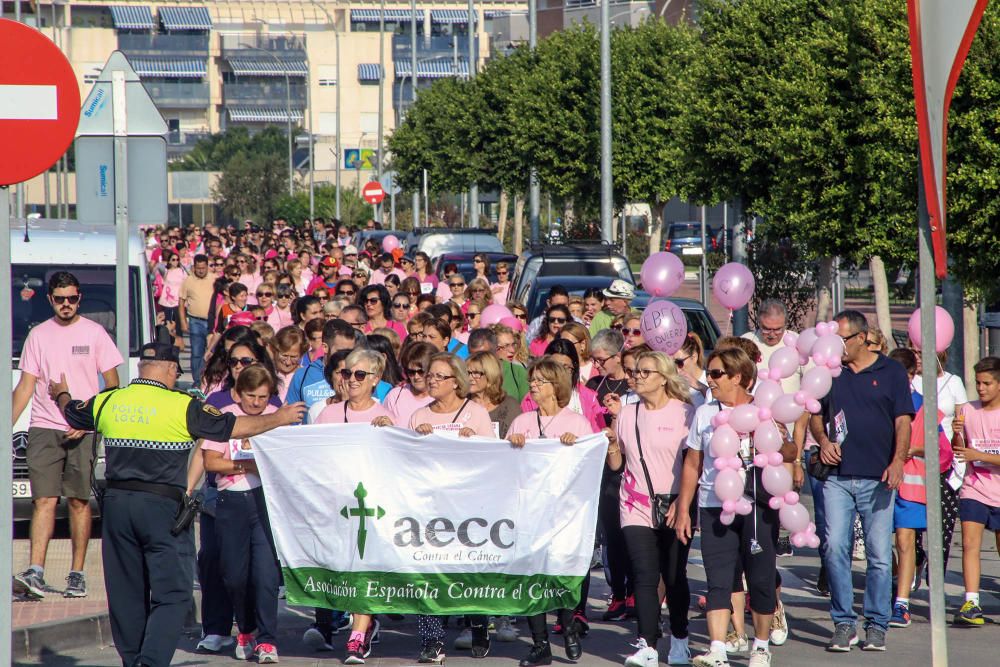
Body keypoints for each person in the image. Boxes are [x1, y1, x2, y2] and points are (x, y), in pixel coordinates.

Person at [48, 342, 305, 667]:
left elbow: (72, 413)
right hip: (161, 509)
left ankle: (132, 660)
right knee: (174, 594)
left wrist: (61, 393)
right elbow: (233, 427)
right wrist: (278, 417)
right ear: (170, 369)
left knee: (126, 595)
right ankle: (150, 661)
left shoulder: (110, 400)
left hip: (116, 508)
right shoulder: (182, 405)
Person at [676, 348, 793, 667]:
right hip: (714, 504)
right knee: (718, 579)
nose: (708, 379)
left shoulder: (764, 409)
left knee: (760, 578)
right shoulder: (704, 413)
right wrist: (684, 508)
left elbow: (792, 451)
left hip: (757, 504)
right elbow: (692, 463)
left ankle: (760, 646)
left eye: (715, 374)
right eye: (709, 374)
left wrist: (779, 439)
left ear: (738, 377)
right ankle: (716, 648)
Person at [12, 271, 123, 600]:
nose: (65, 304)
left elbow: (113, 386)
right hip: (44, 427)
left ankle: (77, 574)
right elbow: (25, 388)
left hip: (83, 430)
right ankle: (36, 570)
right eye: (59, 299)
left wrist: (89, 421)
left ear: (79, 299)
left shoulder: (95, 333)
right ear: (49, 300)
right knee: (43, 500)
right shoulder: (38, 336)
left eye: (71, 298)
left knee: (78, 501)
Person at [809, 310, 913, 653]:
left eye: (840, 340)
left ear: (861, 338)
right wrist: (823, 442)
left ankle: (876, 624)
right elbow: (815, 415)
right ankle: (842, 623)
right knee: (835, 547)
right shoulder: (829, 373)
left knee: (880, 555)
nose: (833, 347)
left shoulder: (892, 372)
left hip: (879, 478)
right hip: (837, 479)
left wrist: (898, 461)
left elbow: (903, 421)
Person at [603, 351, 696, 667]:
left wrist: (682, 504)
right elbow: (618, 464)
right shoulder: (627, 414)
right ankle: (647, 645)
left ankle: (680, 640)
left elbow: (692, 465)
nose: (638, 376)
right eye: (636, 372)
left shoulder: (685, 413)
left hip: (675, 504)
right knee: (643, 575)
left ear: (664, 377)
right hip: (635, 504)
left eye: (645, 371)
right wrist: (612, 443)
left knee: (673, 577)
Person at [508, 358, 596, 666]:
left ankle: (569, 625)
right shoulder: (522, 422)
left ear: (556, 386)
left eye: (540, 381)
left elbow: (588, 467)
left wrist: (576, 446)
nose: (533, 385)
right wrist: (513, 446)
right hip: (530, 514)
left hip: (565, 515)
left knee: (561, 576)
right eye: (532, 380)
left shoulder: (577, 424)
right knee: (532, 576)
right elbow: (507, 470)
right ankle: (539, 643)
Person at [409, 353, 495, 662]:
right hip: (429, 507)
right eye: (429, 375)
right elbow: (406, 463)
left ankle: (478, 623)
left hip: (468, 506)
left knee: (467, 568)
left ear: (455, 381)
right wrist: (414, 441)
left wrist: (474, 442)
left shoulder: (476, 414)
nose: (430, 380)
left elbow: (494, 461)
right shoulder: (418, 416)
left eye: (438, 376)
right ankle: (432, 640)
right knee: (429, 570)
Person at [200, 366, 284, 663]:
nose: (258, 403)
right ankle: (246, 628)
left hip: (264, 501)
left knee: (265, 575)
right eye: (251, 396)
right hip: (230, 502)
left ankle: (267, 640)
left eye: (263, 396)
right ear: (238, 392)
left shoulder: (276, 413)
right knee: (235, 576)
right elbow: (211, 462)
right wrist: (246, 466)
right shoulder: (225, 416)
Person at [315, 349, 393, 665]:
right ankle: (342, 621)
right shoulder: (329, 414)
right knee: (340, 567)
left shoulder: (386, 415)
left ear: (374, 380)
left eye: (360, 375)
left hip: (372, 507)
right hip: (336, 503)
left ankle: (358, 634)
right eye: (347, 373)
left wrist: (390, 432)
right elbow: (310, 455)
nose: (351, 380)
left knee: (365, 567)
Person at [952, 356, 1000, 626]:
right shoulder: (967, 411)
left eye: (987, 383)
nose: (981, 389)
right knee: (970, 544)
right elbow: (958, 449)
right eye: (978, 383)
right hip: (974, 488)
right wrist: (956, 432)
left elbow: (975, 453)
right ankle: (972, 602)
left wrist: (978, 454)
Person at [742, 300, 800, 395]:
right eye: (766, 329)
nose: (772, 334)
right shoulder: (746, 341)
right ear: (759, 324)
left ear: (785, 325)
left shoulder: (797, 342)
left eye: (777, 329)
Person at [179, 254, 216, 383]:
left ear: (207, 266)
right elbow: (181, 302)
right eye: (198, 268)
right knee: (196, 353)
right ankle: (197, 382)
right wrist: (183, 322)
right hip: (195, 321)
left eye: (203, 268)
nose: (201, 270)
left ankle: (211, 380)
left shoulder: (214, 279)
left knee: (212, 352)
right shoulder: (188, 280)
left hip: (212, 322)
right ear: (194, 267)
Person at [467, 351, 521, 438]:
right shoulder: (461, 403)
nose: (469, 378)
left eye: (476, 373)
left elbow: (520, 436)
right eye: (468, 373)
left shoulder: (510, 405)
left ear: (490, 375)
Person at [469, 327, 529, 401]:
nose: (478, 360)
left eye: (484, 355)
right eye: (473, 357)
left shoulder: (517, 372)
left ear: (495, 350)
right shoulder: (466, 375)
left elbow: (527, 405)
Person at [384, 342, 436, 426]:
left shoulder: (440, 396)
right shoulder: (395, 395)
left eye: (421, 371)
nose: (416, 377)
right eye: (411, 372)